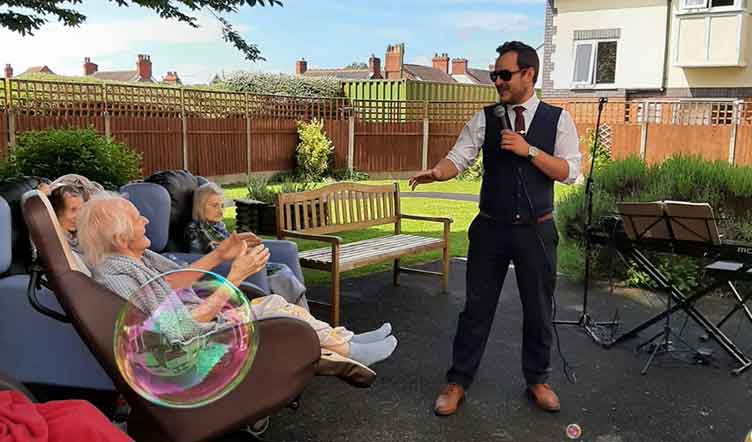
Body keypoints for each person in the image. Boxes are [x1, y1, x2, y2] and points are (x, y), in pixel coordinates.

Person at [409, 41, 581, 415]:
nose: (497, 82)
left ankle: (537, 380)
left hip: (536, 230)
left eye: (504, 74)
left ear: (528, 75)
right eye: (494, 75)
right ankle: (457, 382)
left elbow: (570, 173)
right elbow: (460, 156)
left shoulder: (558, 120)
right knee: (475, 309)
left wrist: (529, 150)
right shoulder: (485, 118)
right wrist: (438, 172)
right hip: (490, 230)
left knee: (538, 309)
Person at [75, 194, 398, 385]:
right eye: (137, 218)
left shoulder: (140, 257)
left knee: (272, 302)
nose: (146, 220)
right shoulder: (114, 274)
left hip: (198, 326)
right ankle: (347, 350)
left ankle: (347, 342)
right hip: (189, 348)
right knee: (276, 312)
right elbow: (175, 330)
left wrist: (222, 254)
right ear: (119, 236)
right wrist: (233, 277)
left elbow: (178, 280)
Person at [185, 182, 307, 307]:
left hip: (237, 262)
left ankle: (297, 313)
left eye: (222, 206)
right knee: (281, 272)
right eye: (215, 206)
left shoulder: (217, 227)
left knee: (282, 269)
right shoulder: (196, 229)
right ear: (200, 207)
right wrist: (243, 251)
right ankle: (299, 312)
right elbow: (213, 253)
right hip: (222, 270)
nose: (221, 211)